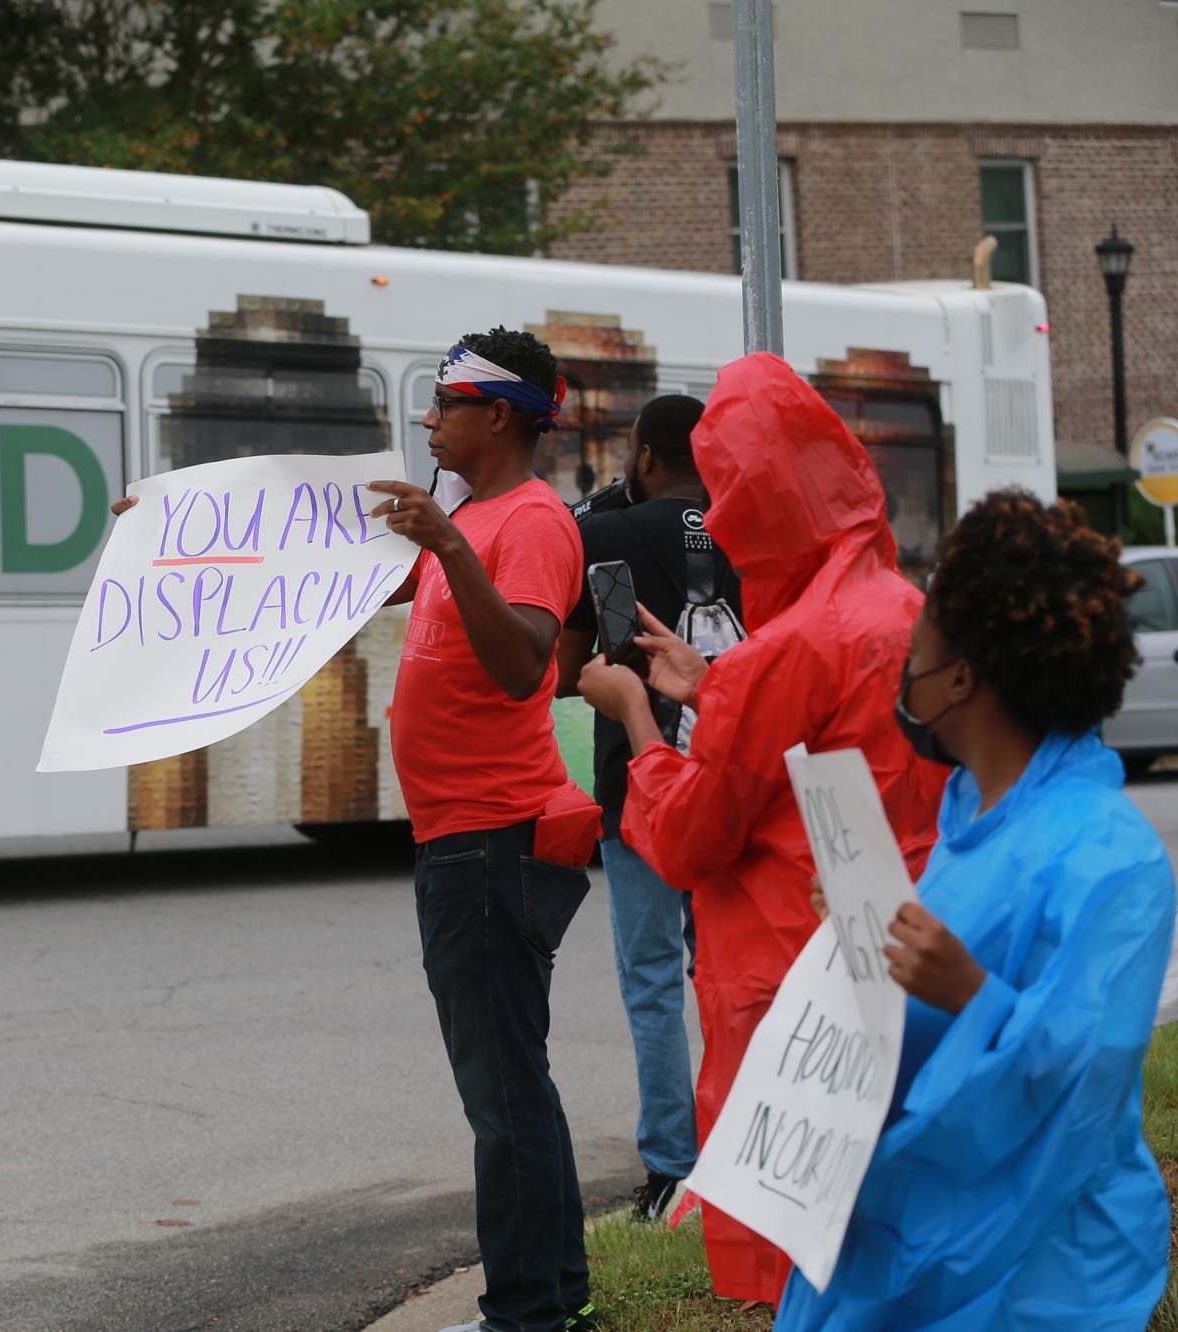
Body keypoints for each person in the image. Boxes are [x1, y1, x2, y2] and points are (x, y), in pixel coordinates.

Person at [575, 352, 946, 1307]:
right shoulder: (899, 609)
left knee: (806, 1268)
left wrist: (637, 717)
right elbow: (825, 755)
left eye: (734, 489)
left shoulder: (784, 650)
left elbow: (692, 835)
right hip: (887, 955)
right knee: (889, 1233)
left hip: (786, 986)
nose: (723, 516)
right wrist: (713, 690)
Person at [774, 489, 1174, 1328]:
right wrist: (865, 931)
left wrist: (965, 990)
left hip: (1033, 1269)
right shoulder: (971, 815)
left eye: (913, 649)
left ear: (960, 677)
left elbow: (1079, 1082)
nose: (901, 672)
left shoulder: (1112, 857)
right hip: (912, 1228)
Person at [366, 328, 603, 1332]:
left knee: (501, 1095)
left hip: (491, 839)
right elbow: (326, 593)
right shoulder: (474, 519)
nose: (427, 419)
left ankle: (524, 1317)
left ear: (496, 414)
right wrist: (174, 534)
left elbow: (526, 670)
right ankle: (550, 1300)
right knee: (511, 1087)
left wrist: (448, 542)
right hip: (462, 837)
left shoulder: (528, 523)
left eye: (443, 401)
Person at [555, 394, 738, 1221]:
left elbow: (575, 666)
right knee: (732, 969)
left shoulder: (602, 534)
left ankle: (674, 1168)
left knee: (654, 977)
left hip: (642, 780)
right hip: (738, 779)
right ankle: (747, 1148)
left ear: (647, 453)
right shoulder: (747, 528)